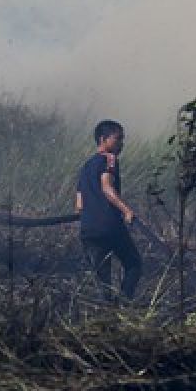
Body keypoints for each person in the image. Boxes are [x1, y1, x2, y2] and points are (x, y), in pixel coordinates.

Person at [76, 119, 142, 302]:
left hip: (88, 230)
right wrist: (127, 210)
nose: (121, 144)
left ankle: (107, 314)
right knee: (134, 264)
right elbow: (106, 188)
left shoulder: (86, 166)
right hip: (109, 226)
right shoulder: (109, 159)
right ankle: (123, 305)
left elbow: (80, 204)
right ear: (103, 139)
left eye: (122, 139)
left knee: (102, 281)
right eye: (118, 139)